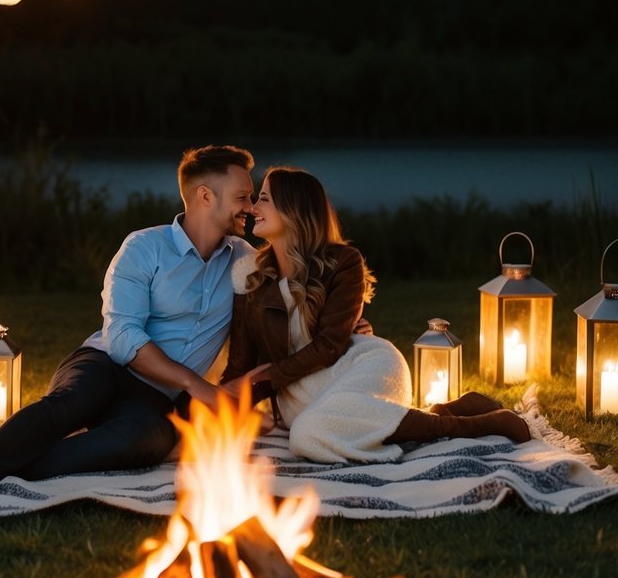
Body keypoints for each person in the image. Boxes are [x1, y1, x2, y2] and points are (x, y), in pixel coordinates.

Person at [0, 144, 259, 512]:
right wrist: (195, 384)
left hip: (156, 398)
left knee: (144, 442)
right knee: (73, 402)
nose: (250, 207)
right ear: (205, 196)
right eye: (243, 197)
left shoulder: (244, 261)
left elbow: (291, 277)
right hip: (104, 363)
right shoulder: (144, 247)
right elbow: (123, 337)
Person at [220, 166, 531, 463]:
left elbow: (330, 345)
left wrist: (263, 376)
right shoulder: (249, 277)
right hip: (301, 398)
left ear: (293, 209)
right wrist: (214, 406)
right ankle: (443, 412)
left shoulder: (343, 262)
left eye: (264, 197)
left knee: (307, 435)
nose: (253, 206)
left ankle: (476, 425)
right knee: (309, 429)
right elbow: (239, 368)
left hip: (360, 367)